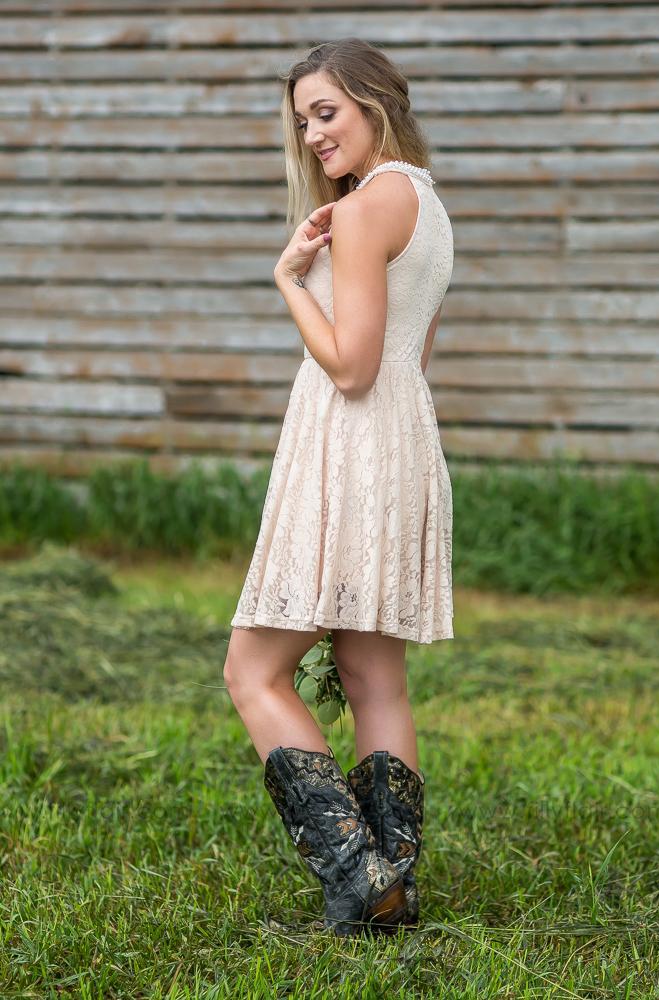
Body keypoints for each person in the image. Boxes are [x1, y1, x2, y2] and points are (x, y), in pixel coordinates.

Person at [223, 38, 454, 937]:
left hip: (349, 441)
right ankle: (391, 886)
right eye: (302, 120)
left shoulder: (362, 211)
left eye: (326, 112)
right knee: (370, 672)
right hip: (404, 440)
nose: (313, 134)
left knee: (252, 669)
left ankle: (357, 876)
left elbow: (352, 369)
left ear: (373, 101)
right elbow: (410, 358)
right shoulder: (427, 206)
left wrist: (288, 281)